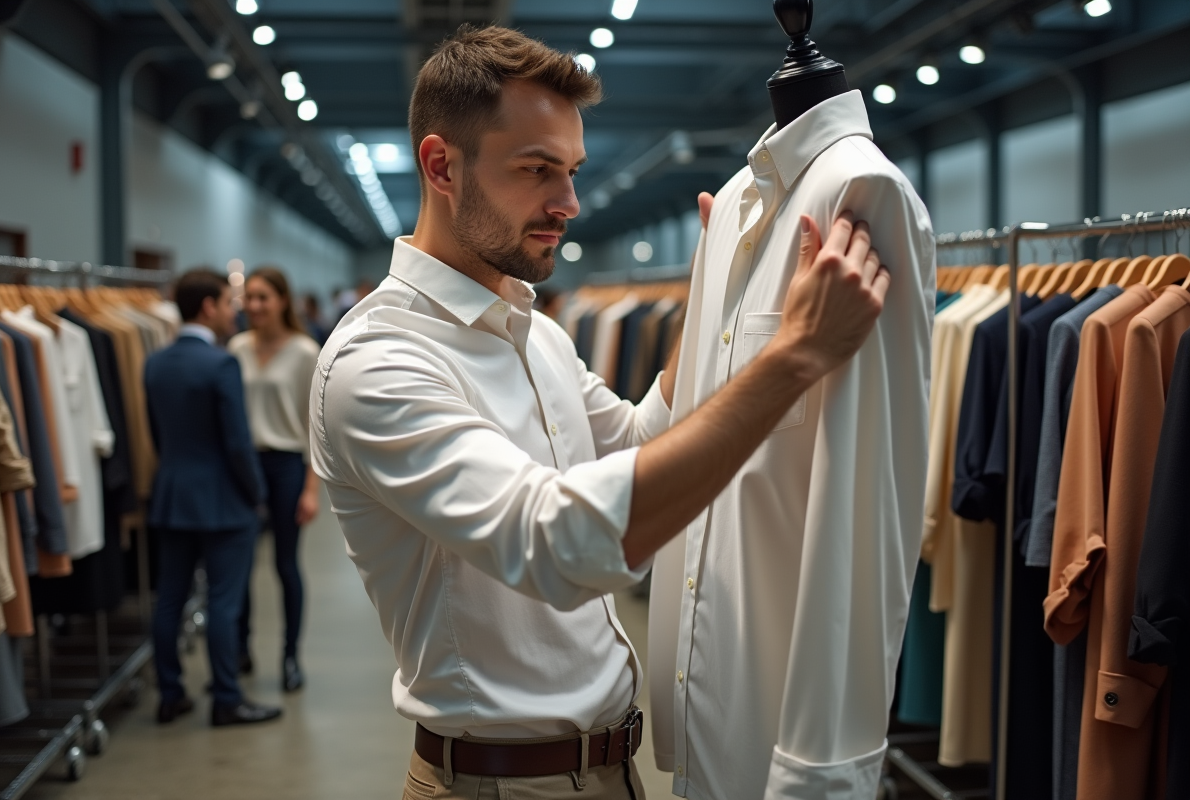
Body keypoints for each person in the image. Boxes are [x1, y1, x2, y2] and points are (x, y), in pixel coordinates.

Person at [309, 26, 889, 800]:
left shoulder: (534, 332)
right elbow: (562, 545)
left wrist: (714, 293)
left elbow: (643, 442)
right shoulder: (376, 364)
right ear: (441, 166)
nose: (569, 204)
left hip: (610, 773)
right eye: (538, 170)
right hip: (498, 786)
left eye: (573, 170)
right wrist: (797, 359)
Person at [146, 269, 282, 728]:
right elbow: (237, 443)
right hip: (224, 500)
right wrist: (257, 494)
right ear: (208, 307)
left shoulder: (155, 362)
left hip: (171, 495)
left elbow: (156, 435)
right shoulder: (222, 363)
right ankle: (226, 698)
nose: (234, 312)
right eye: (228, 303)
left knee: (169, 600)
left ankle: (170, 694)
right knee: (224, 603)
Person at [229, 266, 322, 693]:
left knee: (286, 565)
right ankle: (241, 647)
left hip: (286, 465)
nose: (255, 306)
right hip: (242, 468)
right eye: (250, 297)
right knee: (239, 566)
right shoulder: (236, 348)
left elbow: (314, 424)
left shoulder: (305, 352)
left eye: (264, 297)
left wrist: (310, 488)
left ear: (283, 301)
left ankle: (290, 657)